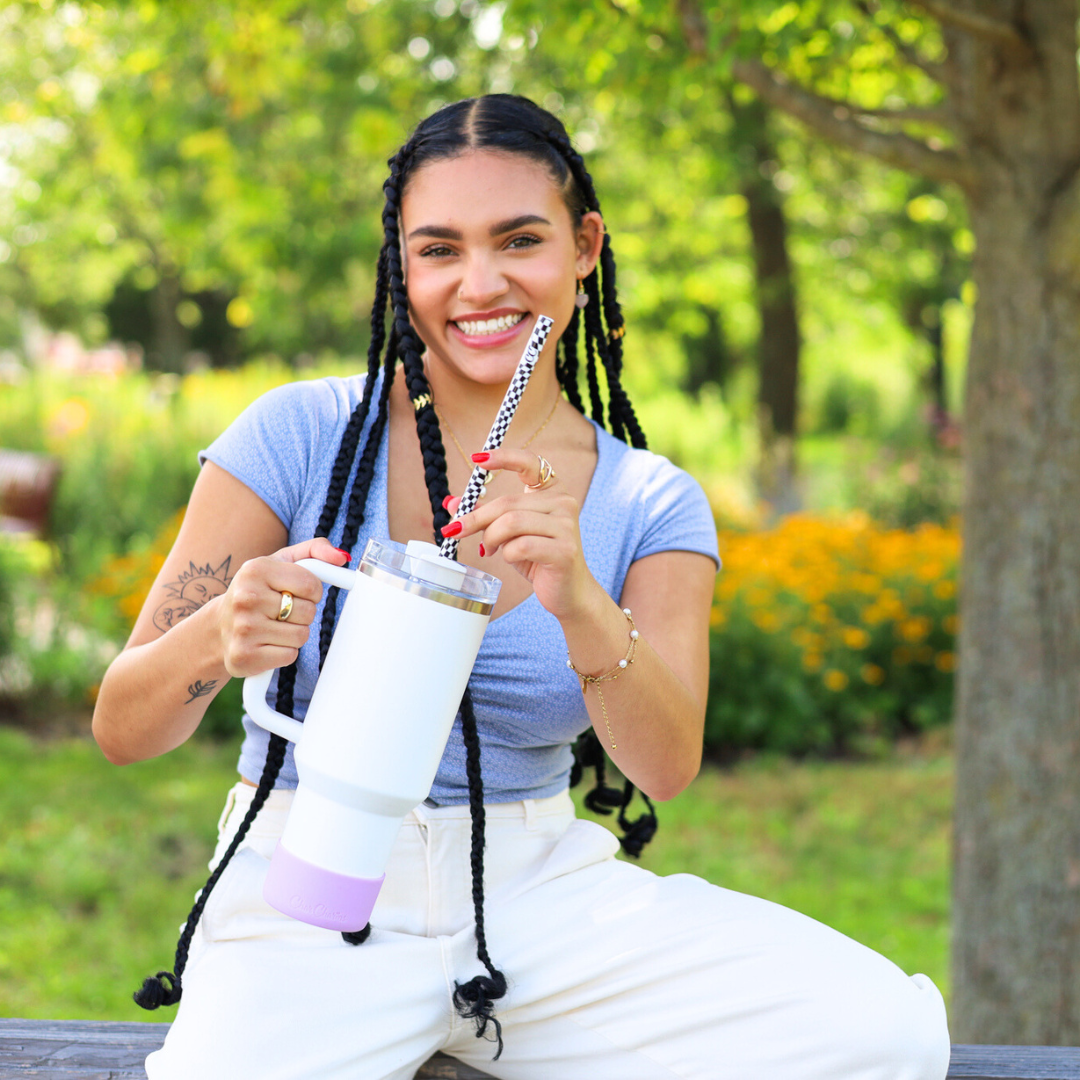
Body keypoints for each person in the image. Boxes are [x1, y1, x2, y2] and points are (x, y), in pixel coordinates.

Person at [92, 94, 950, 1080]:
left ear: (585, 247)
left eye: (520, 240)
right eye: (439, 249)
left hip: (537, 895)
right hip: (310, 883)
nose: (480, 282)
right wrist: (219, 635)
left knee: (887, 1032)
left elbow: (665, 766)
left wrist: (580, 595)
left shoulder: (649, 500)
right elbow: (123, 726)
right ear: (400, 266)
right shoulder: (297, 439)